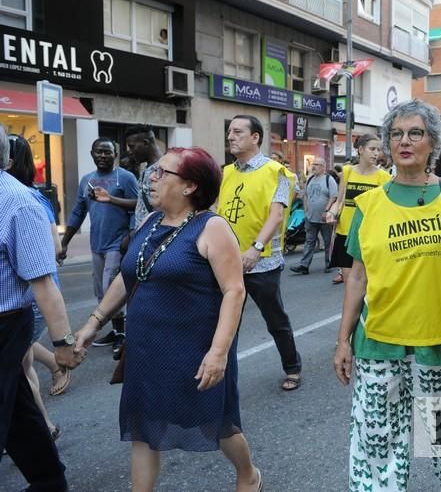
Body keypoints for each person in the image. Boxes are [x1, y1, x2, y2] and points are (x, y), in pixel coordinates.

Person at [74, 147, 263, 492]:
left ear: (190, 186)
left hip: (196, 349)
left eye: (163, 173)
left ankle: (248, 473)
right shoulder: (150, 222)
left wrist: (218, 353)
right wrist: (94, 321)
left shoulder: (213, 228)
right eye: (154, 172)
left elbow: (235, 291)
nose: (152, 179)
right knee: (143, 427)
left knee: (217, 422)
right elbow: (129, 276)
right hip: (146, 350)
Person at [333, 99, 441, 491]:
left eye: (415, 132)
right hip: (379, 336)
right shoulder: (368, 204)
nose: (405, 141)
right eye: (396, 134)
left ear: (433, 142)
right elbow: (358, 277)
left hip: (439, 334)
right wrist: (343, 339)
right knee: (377, 440)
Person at [0, 126, 83, 490]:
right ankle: (50, 480)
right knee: (18, 410)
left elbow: (43, 282)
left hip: (4, 323)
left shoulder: (18, 202)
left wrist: (63, 344)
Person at [219, 115, 302, 391]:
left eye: (238, 132)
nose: (231, 136)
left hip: (261, 262)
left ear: (255, 137)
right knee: (226, 323)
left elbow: (276, 214)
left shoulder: (275, 171)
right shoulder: (226, 172)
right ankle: (222, 375)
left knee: (275, 319)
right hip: (228, 261)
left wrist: (255, 249)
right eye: (229, 131)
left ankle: (292, 367)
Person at [6, 135, 71, 437]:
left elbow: (51, 257)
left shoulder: (24, 200)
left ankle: (43, 427)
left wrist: (64, 343)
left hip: (28, 302)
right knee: (20, 370)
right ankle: (42, 432)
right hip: (27, 300)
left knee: (21, 365)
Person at [59, 138, 139, 358]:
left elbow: (138, 205)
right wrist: (65, 242)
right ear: (92, 153)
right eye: (99, 152)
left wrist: (130, 236)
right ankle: (115, 331)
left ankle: (122, 334)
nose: (103, 156)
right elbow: (77, 213)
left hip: (118, 243)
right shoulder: (87, 180)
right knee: (99, 291)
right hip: (97, 244)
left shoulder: (125, 177)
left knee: (109, 288)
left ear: (115, 154)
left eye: (107, 152)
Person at [327, 134, 390, 285]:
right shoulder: (347, 171)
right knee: (350, 282)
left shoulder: (384, 177)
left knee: (367, 282)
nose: (376, 153)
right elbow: (340, 201)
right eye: (372, 149)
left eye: (378, 150)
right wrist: (331, 212)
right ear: (361, 149)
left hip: (368, 235)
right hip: (345, 233)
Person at [289, 158, 338, 275]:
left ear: (323, 167)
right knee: (309, 241)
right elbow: (305, 195)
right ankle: (304, 265)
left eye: (317, 164)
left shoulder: (328, 179)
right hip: (311, 217)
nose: (313, 166)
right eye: (313, 164)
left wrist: (327, 211)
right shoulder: (310, 179)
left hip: (324, 218)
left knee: (327, 242)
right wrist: (306, 211)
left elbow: (334, 197)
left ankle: (329, 264)